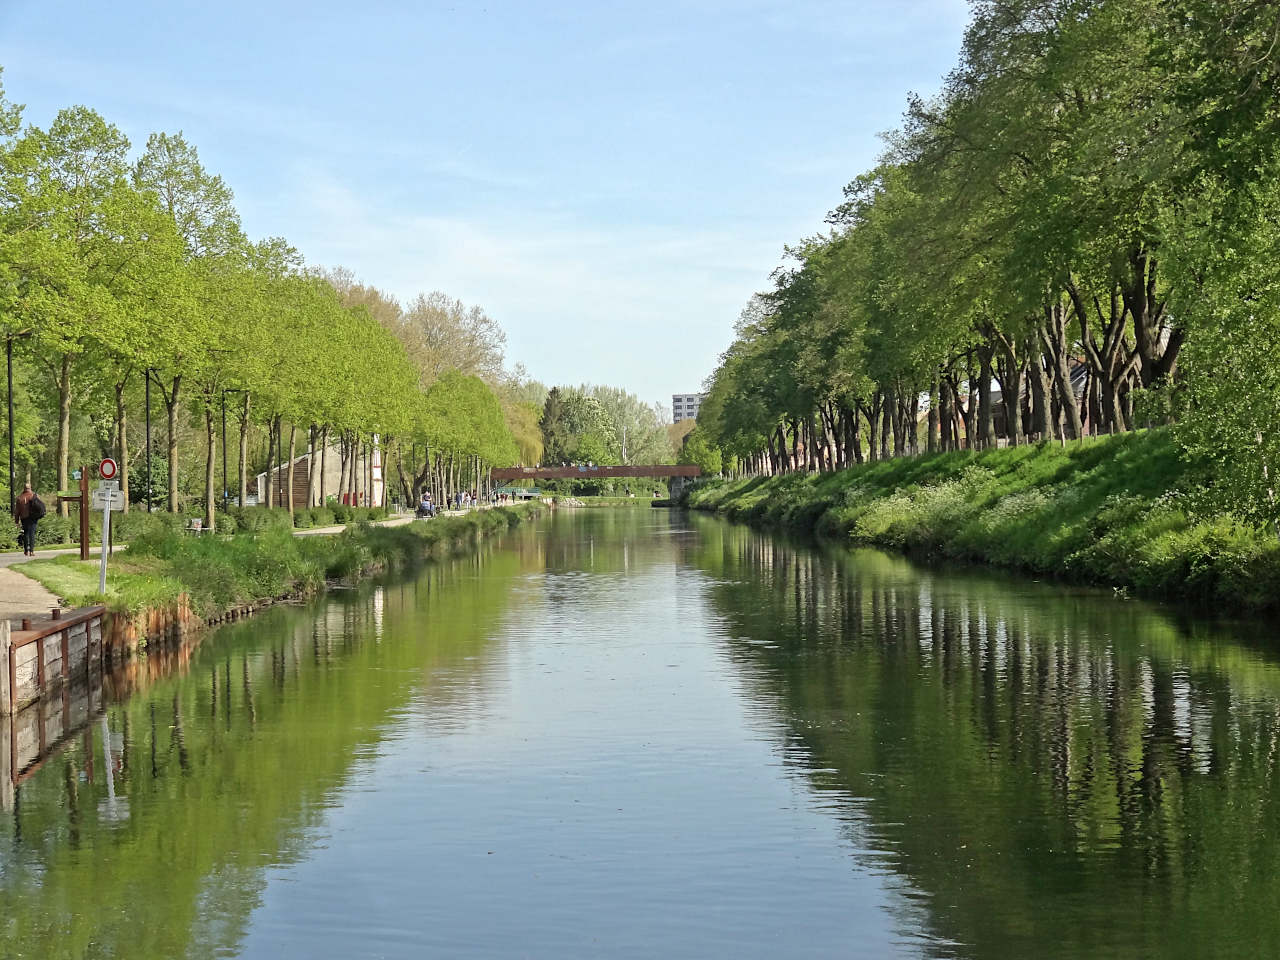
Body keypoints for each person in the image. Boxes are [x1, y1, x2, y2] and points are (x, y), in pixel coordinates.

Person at [12, 483, 45, 557]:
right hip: (33, 517)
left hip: (24, 518)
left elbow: (17, 511)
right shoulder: (34, 495)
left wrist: (16, 521)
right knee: (32, 534)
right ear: (30, 487)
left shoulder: (19, 498)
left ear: (24, 488)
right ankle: (32, 551)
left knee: (26, 533)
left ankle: (26, 551)